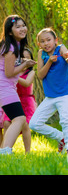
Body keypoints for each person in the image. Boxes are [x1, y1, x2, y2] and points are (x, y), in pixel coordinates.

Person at [29, 28, 68, 152]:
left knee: (65, 120)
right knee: (34, 124)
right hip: (50, 97)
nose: (46, 43)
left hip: (66, 94)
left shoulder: (60, 48)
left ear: (55, 40)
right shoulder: (41, 54)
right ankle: (61, 137)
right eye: (42, 41)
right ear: (39, 44)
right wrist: (49, 61)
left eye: (48, 40)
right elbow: (40, 75)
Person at [0, 15, 36, 155]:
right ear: (10, 31)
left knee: (19, 119)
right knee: (19, 119)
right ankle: (5, 150)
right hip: (4, 87)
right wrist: (25, 65)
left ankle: (5, 149)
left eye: (23, 25)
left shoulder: (15, 45)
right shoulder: (10, 48)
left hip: (7, 87)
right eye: (18, 27)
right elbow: (9, 73)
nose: (22, 29)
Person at [3, 47, 36, 153]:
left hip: (26, 102)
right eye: (22, 58)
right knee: (6, 123)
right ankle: (5, 148)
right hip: (14, 100)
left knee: (25, 125)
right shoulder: (13, 71)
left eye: (27, 59)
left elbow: (26, 83)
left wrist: (13, 75)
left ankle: (27, 152)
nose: (25, 61)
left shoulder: (31, 73)